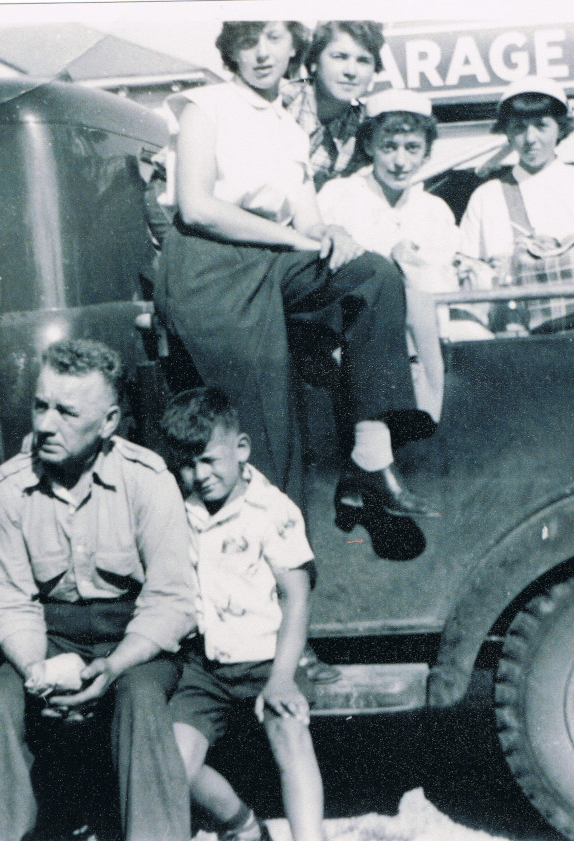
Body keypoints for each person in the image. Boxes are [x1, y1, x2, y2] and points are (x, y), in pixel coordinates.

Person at [155, 20, 437, 519]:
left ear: (294, 50)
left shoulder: (287, 127)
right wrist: (297, 240)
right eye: (248, 41)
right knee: (264, 429)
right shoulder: (204, 105)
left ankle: (371, 451)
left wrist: (331, 236)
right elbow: (197, 208)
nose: (262, 54)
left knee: (373, 275)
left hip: (274, 263)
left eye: (275, 39)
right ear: (231, 51)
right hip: (209, 265)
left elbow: (309, 218)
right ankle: (258, 560)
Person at [0, 339, 195, 841]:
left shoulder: (147, 480)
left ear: (108, 423)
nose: (44, 424)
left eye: (65, 411)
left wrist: (117, 665)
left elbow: (170, 600)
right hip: (48, 638)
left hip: (133, 641)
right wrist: (34, 669)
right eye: (41, 405)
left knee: (142, 702)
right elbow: (11, 599)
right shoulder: (8, 488)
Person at [159, 387, 325, 841]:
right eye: (189, 464)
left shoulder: (271, 510)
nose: (200, 475)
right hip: (205, 667)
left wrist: (283, 677)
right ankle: (240, 823)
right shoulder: (180, 509)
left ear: (242, 448)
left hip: (271, 659)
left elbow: (297, 596)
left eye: (211, 460)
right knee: (172, 764)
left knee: (291, 736)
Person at [318, 89, 462, 419]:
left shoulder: (434, 209)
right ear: (369, 146)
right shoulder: (338, 196)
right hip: (353, 348)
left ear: (426, 153)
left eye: (412, 148)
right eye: (389, 147)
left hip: (422, 355)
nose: (400, 161)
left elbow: (444, 286)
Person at [458, 76, 574, 334]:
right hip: (514, 328)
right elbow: (469, 271)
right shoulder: (487, 195)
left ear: (560, 127)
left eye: (541, 125)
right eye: (519, 127)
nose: (530, 138)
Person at [282, 21, 385, 190]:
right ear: (314, 61)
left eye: (363, 61)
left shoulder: (364, 129)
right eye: (339, 57)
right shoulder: (281, 101)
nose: (351, 71)